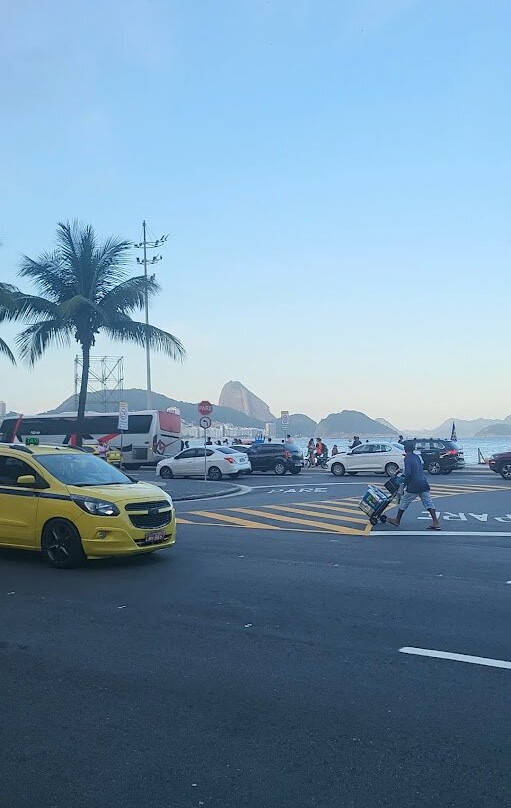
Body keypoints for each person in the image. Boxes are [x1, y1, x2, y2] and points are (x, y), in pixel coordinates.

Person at [389, 440, 441, 531]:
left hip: (414, 485)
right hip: (423, 483)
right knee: (428, 502)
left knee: (405, 501)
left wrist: (404, 483)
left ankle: (397, 519)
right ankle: (436, 522)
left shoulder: (407, 458)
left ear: (405, 449)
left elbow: (408, 473)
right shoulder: (416, 457)